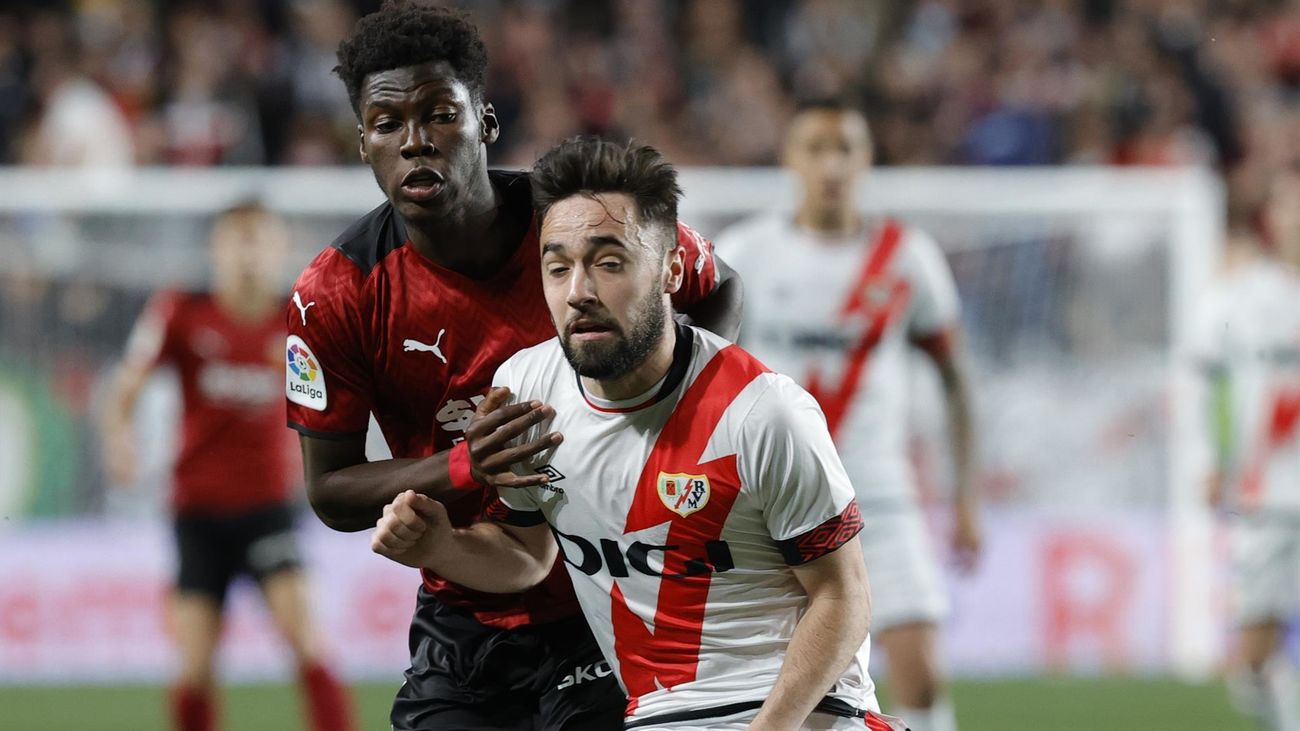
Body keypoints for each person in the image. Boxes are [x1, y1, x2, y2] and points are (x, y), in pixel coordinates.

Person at [286, 4, 742, 729]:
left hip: (610, 596)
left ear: (486, 122)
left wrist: (667, 420)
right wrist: (465, 467)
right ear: (363, 143)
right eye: (387, 124)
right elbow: (331, 491)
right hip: (466, 607)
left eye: (440, 115)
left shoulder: (581, 222)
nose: (414, 141)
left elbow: (719, 287)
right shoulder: (334, 294)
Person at [372, 137, 906, 731]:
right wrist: (439, 546)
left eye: (609, 263)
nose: (579, 291)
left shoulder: (764, 412)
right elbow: (527, 555)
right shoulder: (526, 391)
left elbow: (844, 597)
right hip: (657, 714)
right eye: (558, 268)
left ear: (672, 269)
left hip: (802, 710)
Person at [712, 98, 979, 731]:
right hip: (779, 497)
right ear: (790, 159)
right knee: (803, 691)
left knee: (920, 671)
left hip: (879, 491)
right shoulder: (746, 253)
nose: (831, 165)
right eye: (816, 148)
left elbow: (956, 380)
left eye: (846, 149)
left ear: (866, 159)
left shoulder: (906, 256)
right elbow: (705, 371)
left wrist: (966, 498)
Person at [101, 203, 354, 731]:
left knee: (307, 642)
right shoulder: (181, 309)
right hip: (197, 510)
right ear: (215, 249)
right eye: (237, 240)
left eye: (258, 240)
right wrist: (120, 443)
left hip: (268, 507)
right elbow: (124, 390)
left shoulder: (296, 321)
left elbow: (338, 400)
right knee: (193, 667)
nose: (247, 254)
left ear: (279, 249)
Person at [1198, 167, 1300, 731]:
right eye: (1290, 204)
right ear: (1272, 218)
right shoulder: (1241, 297)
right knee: (1253, 659)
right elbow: (1208, 382)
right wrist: (1215, 460)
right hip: (1266, 491)